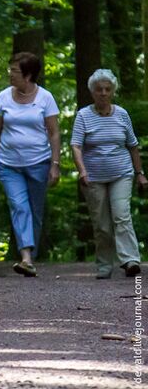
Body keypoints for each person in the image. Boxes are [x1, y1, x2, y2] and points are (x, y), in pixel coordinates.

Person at [0, 52, 61, 278]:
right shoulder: (4, 97)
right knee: (19, 206)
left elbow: (54, 133)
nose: (10, 74)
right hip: (9, 164)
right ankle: (25, 257)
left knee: (34, 211)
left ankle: (29, 257)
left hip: (39, 162)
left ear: (28, 75)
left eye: (14, 71)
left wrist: (55, 165)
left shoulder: (45, 98)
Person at [71, 69, 146, 279]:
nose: (103, 93)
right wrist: (82, 171)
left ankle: (130, 259)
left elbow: (132, 146)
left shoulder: (122, 114)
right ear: (92, 92)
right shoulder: (83, 116)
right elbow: (76, 146)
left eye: (107, 89)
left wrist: (140, 173)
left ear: (112, 91)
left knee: (121, 215)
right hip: (93, 177)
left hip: (121, 173)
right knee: (102, 224)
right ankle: (104, 264)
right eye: (99, 89)